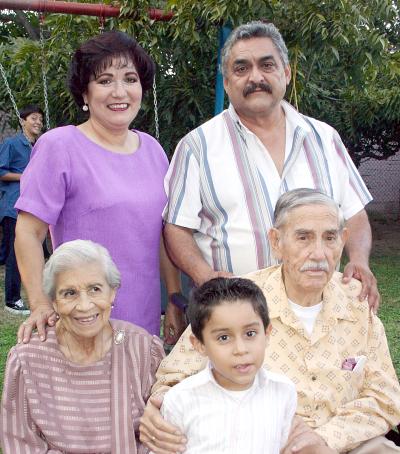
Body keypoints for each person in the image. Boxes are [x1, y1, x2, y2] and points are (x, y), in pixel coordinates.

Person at [140, 189, 400, 454]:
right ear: (276, 242)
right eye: (303, 237)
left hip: (344, 443)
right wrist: (158, 407)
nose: (319, 253)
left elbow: (385, 397)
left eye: (330, 238)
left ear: (343, 241)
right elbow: (173, 376)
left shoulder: (357, 304)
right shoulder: (240, 300)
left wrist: (326, 439)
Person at [163, 21, 379, 312]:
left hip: (318, 311)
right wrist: (205, 277)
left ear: (286, 73)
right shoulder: (196, 147)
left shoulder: (325, 139)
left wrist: (359, 261)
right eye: (241, 68)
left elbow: (354, 215)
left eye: (267, 65)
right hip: (233, 314)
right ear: (226, 82)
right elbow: (176, 228)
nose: (255, 77)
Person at [14, 31, 185, 343]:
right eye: (105, 80)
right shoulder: (60, 146)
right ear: (84, 92)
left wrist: (174, 297)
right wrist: (39, 303)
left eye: (130, 79)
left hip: (142, 320)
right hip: (82, 317)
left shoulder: (152, 149)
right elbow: (28, 232)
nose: (120, 92)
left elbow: (161, 234)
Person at [0, 239, 164, 453]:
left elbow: (162, 434)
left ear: (112, 292)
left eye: (95, 289)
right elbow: (21, 443)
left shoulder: (142, 348)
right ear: (54, 302)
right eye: (69, 293)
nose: (85, 305)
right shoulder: (28, 359)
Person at [160, 277, 297, 454]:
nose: (240, 350)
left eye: (250, 333)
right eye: (223, 338)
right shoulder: (180, 400)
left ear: (267, 333)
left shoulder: (283, 392)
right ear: (199, 344)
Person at [0, 104, 43, 314]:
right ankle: (12, 300)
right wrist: (26, 176)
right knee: (14, 255)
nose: (38, 122)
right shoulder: (12, 143)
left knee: (34, 253)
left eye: (40, 120)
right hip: (14, 205)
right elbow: (1, 172)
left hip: (35, 206)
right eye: (34, 118)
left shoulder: (39, 146)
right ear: (22, 120)